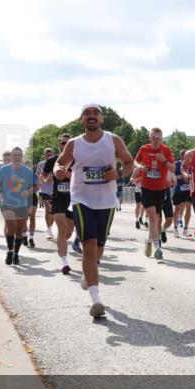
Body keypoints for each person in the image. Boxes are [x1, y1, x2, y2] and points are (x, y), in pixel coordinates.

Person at [54, 104, 134, 318]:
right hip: (81, 198)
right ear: (81, 120)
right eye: (86, 114)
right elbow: (59, 163)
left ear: (101, 119)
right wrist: (59, 170)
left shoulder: (113, 140)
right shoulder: (74, 144)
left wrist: (117, 174)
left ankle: (88, 272)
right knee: (88, 245)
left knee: (98, 248)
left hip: (106, 200)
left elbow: (129, 163)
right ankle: (96, 300)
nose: (91, 116)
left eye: (95, 113)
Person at [134, 128, 176, 261]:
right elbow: (136, 161)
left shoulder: (166, 150)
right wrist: (140, 167)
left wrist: (164, 160)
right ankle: (158, 249)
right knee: (152, 218)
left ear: (161, 138)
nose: (156, 139)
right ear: (149, 137)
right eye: (153, 137)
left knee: (157, 220)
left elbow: (173, 168)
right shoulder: (144, 149)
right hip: (146, 188)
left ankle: (149, 240)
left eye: (158, 137)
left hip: (160, 189)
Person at [41, 134, 76, 274]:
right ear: (59, 145)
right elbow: (42, 175)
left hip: (74, 199)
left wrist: (71, 176)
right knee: (62, 228)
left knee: (68, 231)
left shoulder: (79, 160)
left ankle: (60, 247)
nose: (65, 145)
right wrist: (46, 180)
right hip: (58, 198)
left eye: (68, 142)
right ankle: (64, 262)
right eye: (62, 143)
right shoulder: (53, 161)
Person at [0, 149, 37, 266]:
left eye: (19, 155)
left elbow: (36, 186)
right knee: (11, 227)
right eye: (14, 155)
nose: (17, 157)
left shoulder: (28, 171)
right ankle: (10, 250)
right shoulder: (4, 169)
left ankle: (16, 254)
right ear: (11, 157)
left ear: (22, 157)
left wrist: (28, 192)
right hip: (7, 202)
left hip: (22, 204)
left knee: (19, 230)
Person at [36, 148, 55, 240]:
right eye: (47, 154)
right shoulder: (41, 164)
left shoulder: (56, 162)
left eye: (50, 154)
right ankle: (49, 230)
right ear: (44, 155)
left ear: (53, 154)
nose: (49, 156)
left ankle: (50, 228)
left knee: (54, 211)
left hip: (55, 190)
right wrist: (41, 181)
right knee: (48, 208)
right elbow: (37, 176)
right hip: (44, 190)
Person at [172, 150, 192, 236]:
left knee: (188, 208)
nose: (185, 156)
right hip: (178, 190)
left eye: (186, 155)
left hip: (188, 190)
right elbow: (171, 175)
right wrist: (177, 177)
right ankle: (175, 228)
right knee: (177, 209)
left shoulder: (190, 164)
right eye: (183, 155)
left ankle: (186, 229)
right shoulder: (176, 164)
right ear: (180, 155)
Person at [24, 160, 38, 248]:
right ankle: (24, 235)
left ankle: (31, 238)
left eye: (29, 166)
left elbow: (36, 187)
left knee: (32, 218)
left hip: (32, 198)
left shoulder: (33, 175)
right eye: (26, 166)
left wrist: (29, 192)